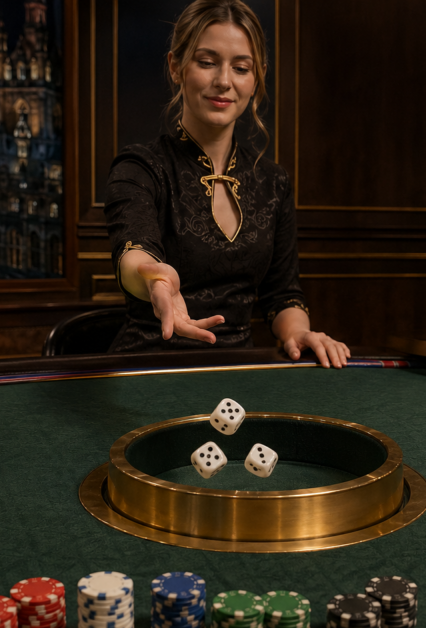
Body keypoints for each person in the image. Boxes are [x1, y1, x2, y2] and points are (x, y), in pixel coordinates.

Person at [105, 0, 350, 369]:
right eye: (206, 62)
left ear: (257, 77)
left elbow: (282, 294)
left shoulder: (274, 182)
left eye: (241, 67)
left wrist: (297, 332)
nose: (224, 81)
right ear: (176, 66)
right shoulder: (140, 166)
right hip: (148, 370)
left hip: (238, 374)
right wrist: (156, 279)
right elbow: (134, 252)